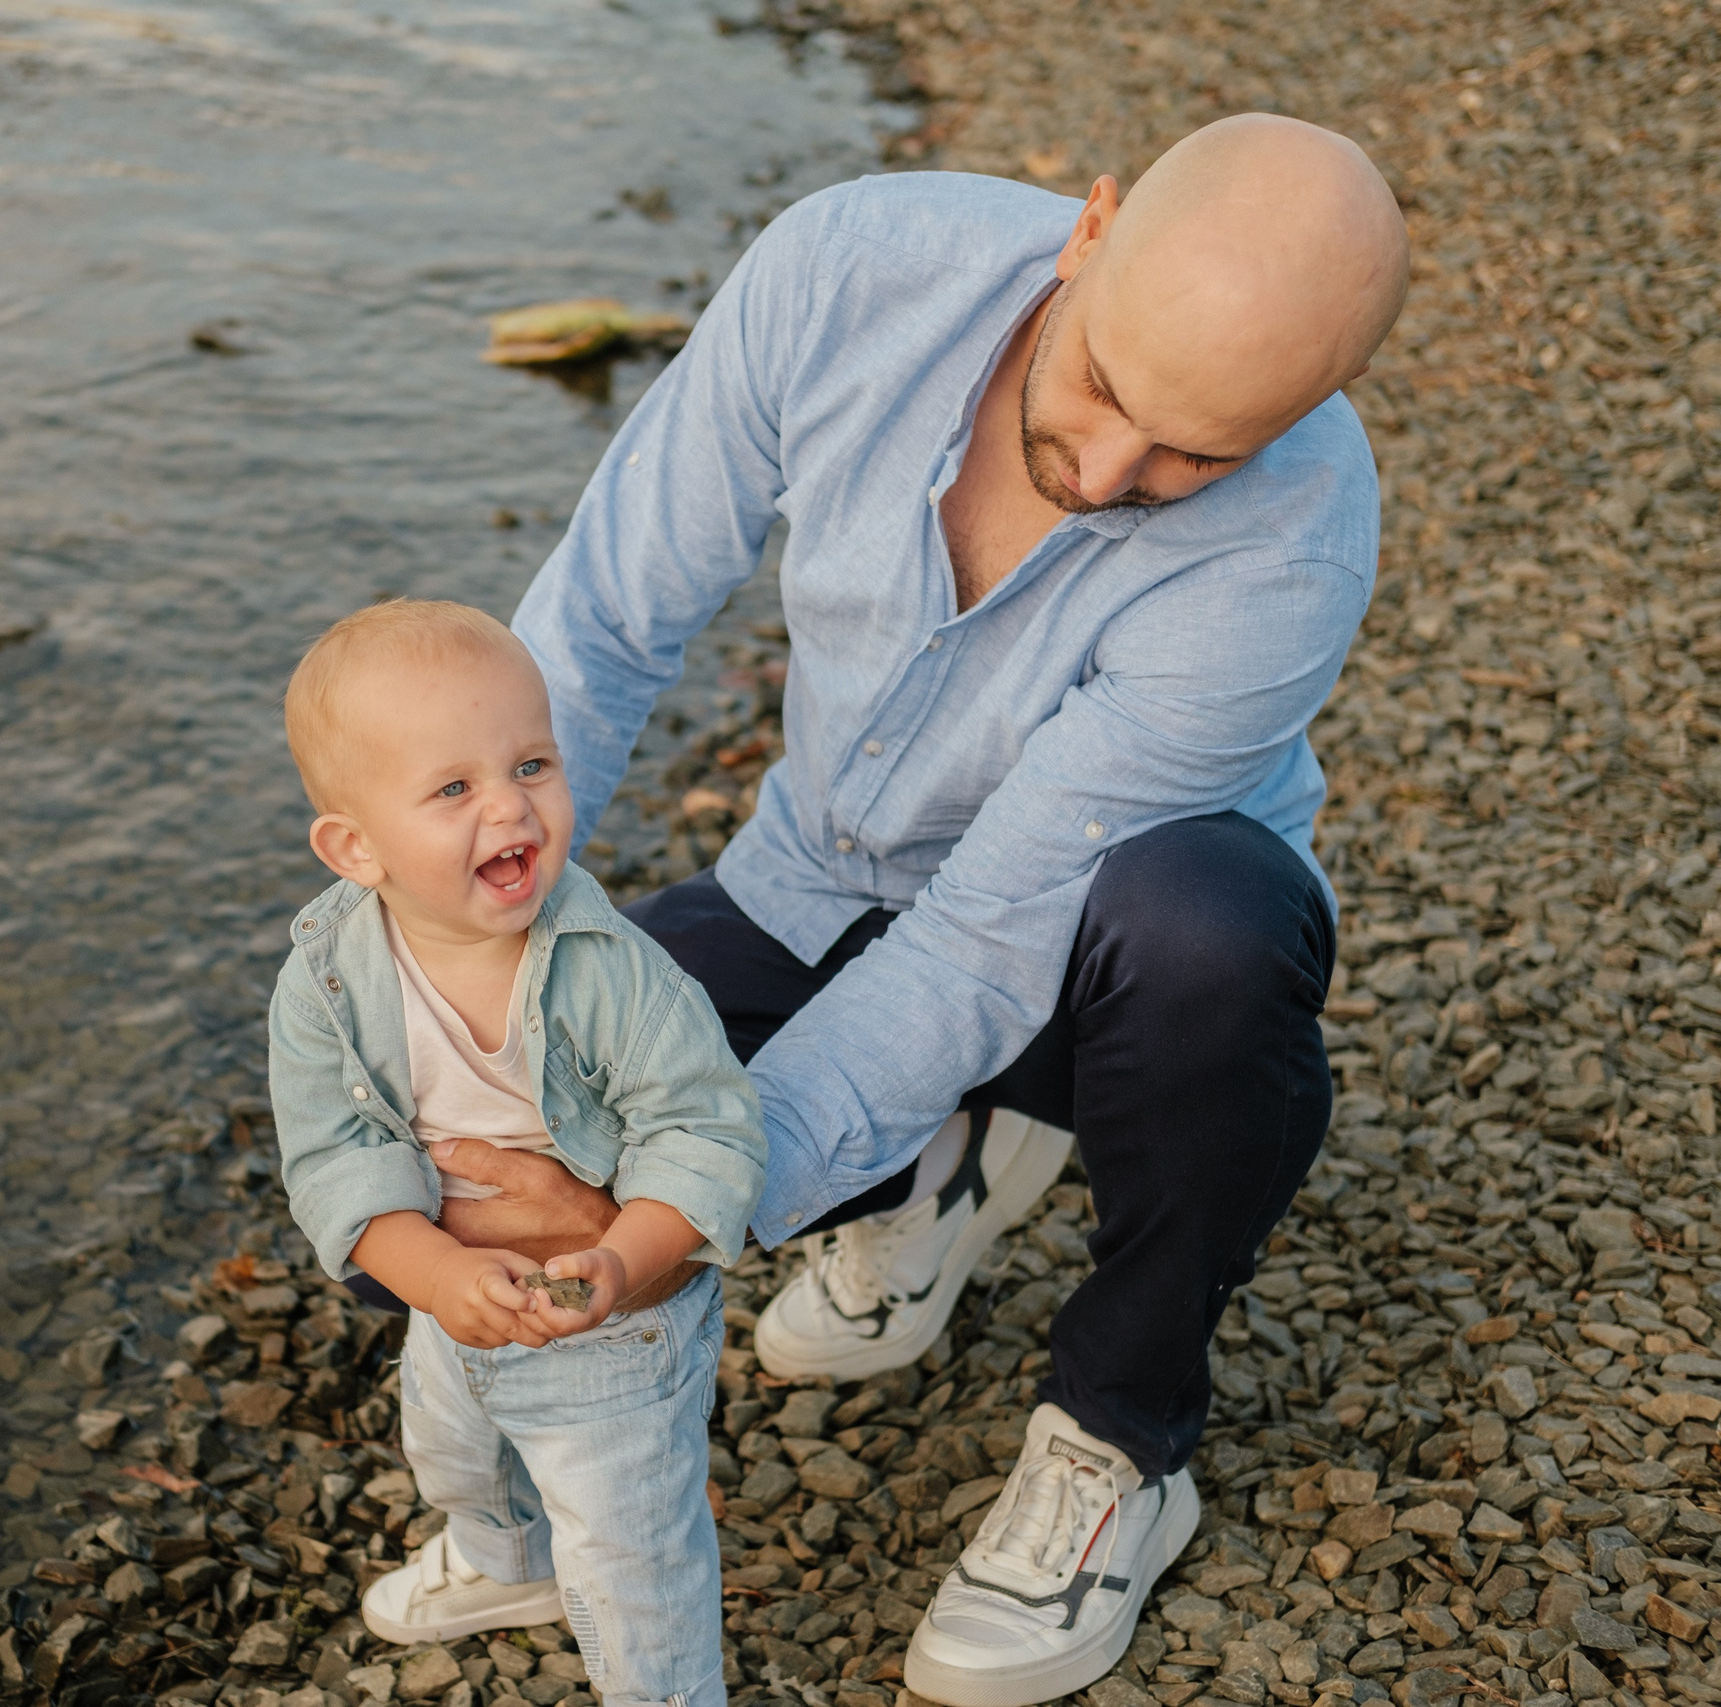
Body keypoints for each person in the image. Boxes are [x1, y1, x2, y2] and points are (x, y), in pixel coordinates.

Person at [432, 113, 1413, 1706]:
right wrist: (467, 967)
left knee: (1208, 934)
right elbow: (604, 627)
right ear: (1090, 226)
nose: (1107, 479)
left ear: (1303, 413)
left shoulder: (1299, 538)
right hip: (817, 876)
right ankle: (935, 1165)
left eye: (1194, 455)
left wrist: (679, 1210)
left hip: (1098, 965)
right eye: (1103, 389)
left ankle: (1124, 1433)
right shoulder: (851, 269)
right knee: (467, 1145)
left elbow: (986, 935)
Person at [268, 599, 767, 1707]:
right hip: (452, 1300)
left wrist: (625, 1261)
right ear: (356, 848)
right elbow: (335, 1148)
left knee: (629, 1558)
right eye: (453, 789)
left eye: (531, 763)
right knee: (454, 1456)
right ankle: (505, 1565)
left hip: (613, 1324)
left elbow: (707, 1130)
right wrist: (436, 1277)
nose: (511, 806)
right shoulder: (329, 980)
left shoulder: (612, 973)